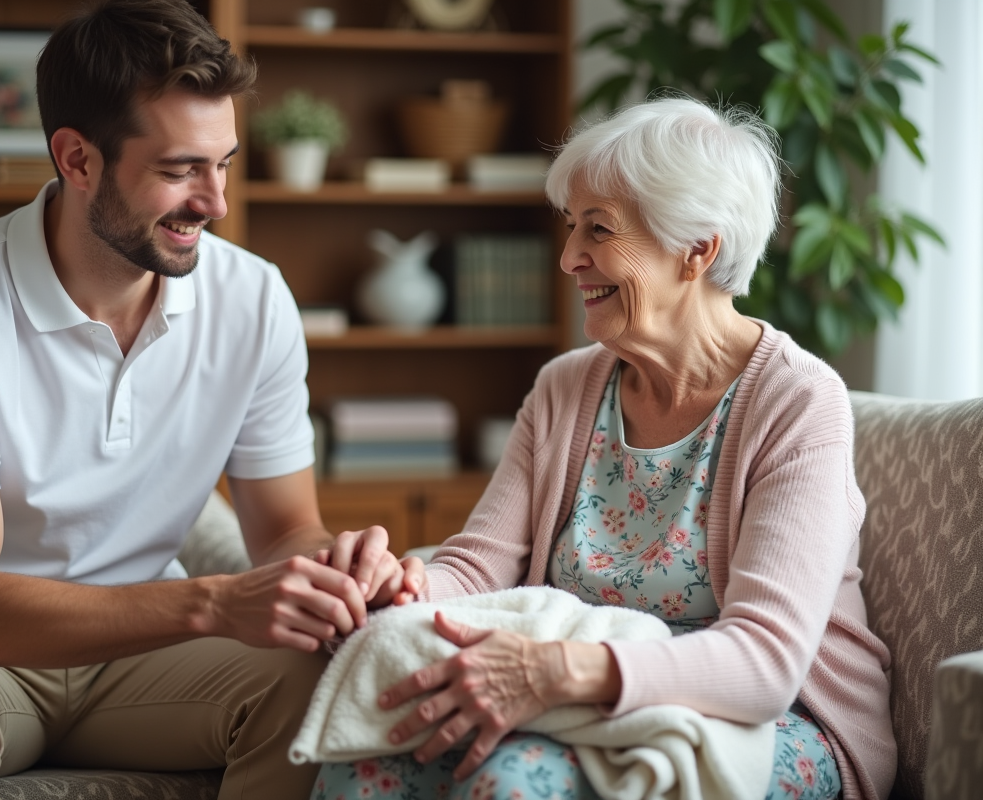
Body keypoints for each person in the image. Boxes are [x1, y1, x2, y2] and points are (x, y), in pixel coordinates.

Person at [0, 2, 423, 799]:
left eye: (225, 164)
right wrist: (213, 603)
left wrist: (335, 573)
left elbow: (285, 527)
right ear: (77, 160)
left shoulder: (254, 299)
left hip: (145, 653)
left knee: (329, 680)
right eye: (181, 169)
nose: (214, 202)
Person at [314, 97, 895, 800]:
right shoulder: (565, 387)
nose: (568, 258)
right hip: (570, 694)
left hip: (771, 720)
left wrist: (563, 672)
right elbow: (476, 568)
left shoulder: (797, 401)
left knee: (511, 779)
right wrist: (402, 585)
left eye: (598, 229)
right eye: (570, 227)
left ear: (697, 249)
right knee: (369, 755)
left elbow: (765, 663)